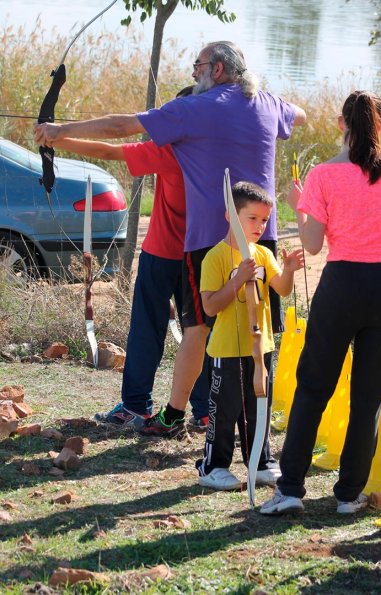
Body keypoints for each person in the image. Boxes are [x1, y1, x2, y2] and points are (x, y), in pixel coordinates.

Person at [34, 41, 306, 443]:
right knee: (255, 333)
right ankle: (243, 423)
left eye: (198, 64)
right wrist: (265, 100)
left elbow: (120, 129)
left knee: (197, 330)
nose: (193, 71)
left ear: (215, 69)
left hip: (209, 244)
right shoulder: (266, 103)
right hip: (259, 241)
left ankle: (176, 414)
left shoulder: (193, 110)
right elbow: (299, 115)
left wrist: (60, 131)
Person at [260, 90, 381, 515]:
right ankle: (349, 495)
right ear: (379, 125)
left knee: (313, 387)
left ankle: (291, 489)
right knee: (368, 397)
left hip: (341, 287)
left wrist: (299, 205)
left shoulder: (322, 176)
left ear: (342, 124)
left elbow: (313, 245)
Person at [52, 129, 210, 430]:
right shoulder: (219, 152)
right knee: (200, 333)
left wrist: (58, 138)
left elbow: (109, 150)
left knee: (146, 329)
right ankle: (205, 411)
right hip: (202, 254)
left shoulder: (171, 147)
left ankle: (136, 407)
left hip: (163, 252)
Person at [196, 181, 304, 489]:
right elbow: (211, 306)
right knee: (225, 410)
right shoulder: (215, 257)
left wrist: (290, 270)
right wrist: (237, 280)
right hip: (227, 350)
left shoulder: (263, 254)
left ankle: (260, 463)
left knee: (260, 407)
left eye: (264, 220)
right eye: (252, 218)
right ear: (231, 215)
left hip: (262, 347)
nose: (259, 226)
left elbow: (280, 288)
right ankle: (213, 467)